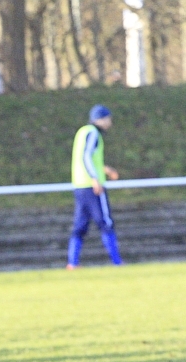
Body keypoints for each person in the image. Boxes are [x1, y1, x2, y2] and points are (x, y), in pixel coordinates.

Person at [67, 104, 121, 269]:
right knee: (105, 222)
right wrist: (95, 179)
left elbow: (85, 158)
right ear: (101, 119)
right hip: (92, 186)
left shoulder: (82, 132)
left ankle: (72, 263)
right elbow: (86, 156)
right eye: (108, 119)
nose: (109, 123)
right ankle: (117, 262)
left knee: (80, 225)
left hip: (80, 185)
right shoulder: (93, 133)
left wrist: (105, 169)